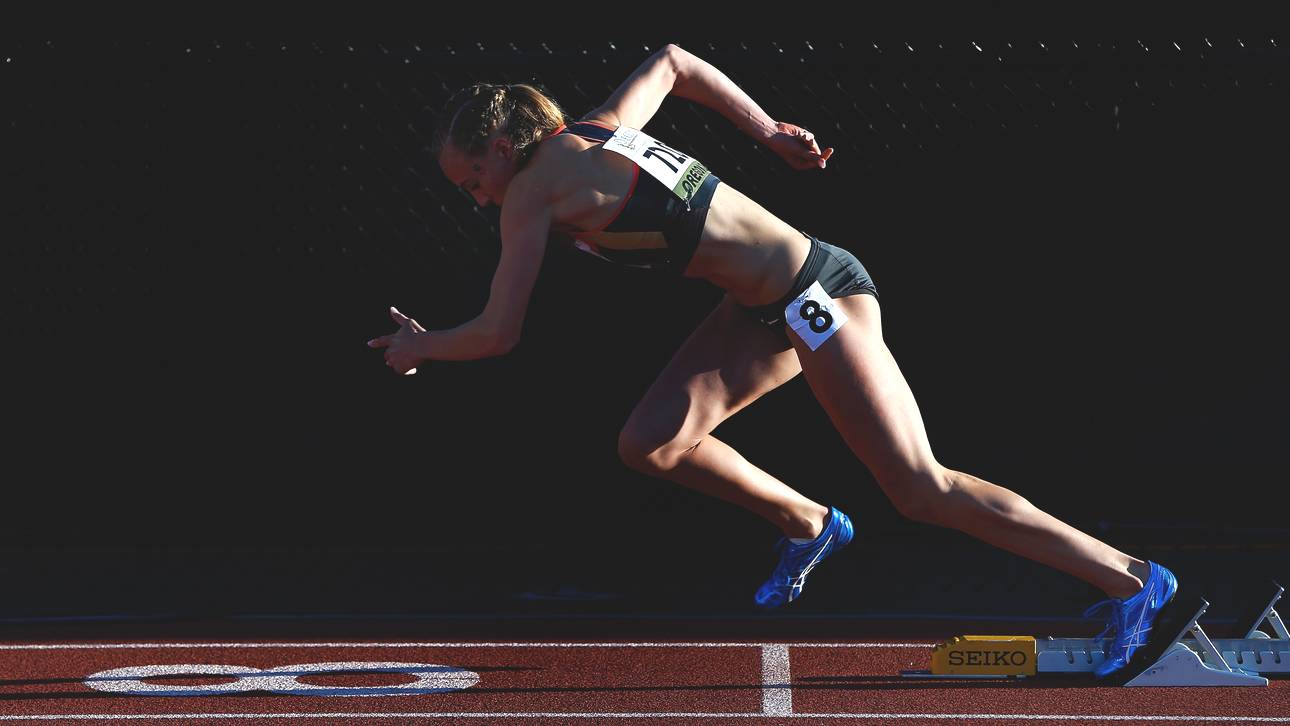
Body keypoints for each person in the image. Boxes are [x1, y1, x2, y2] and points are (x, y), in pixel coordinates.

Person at [366, 43, 1177, 679]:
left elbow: (499, 332)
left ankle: (1134, 581)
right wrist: (769, 131)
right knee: (651, 441)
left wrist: (420, 348)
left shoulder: (532, 194)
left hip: (816, 296)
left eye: (472, 179)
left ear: (503, 147)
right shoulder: (596, 128)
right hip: (758, 310)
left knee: (923, 488)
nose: (476, 198)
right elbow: (675, 61)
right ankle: (811, 524)